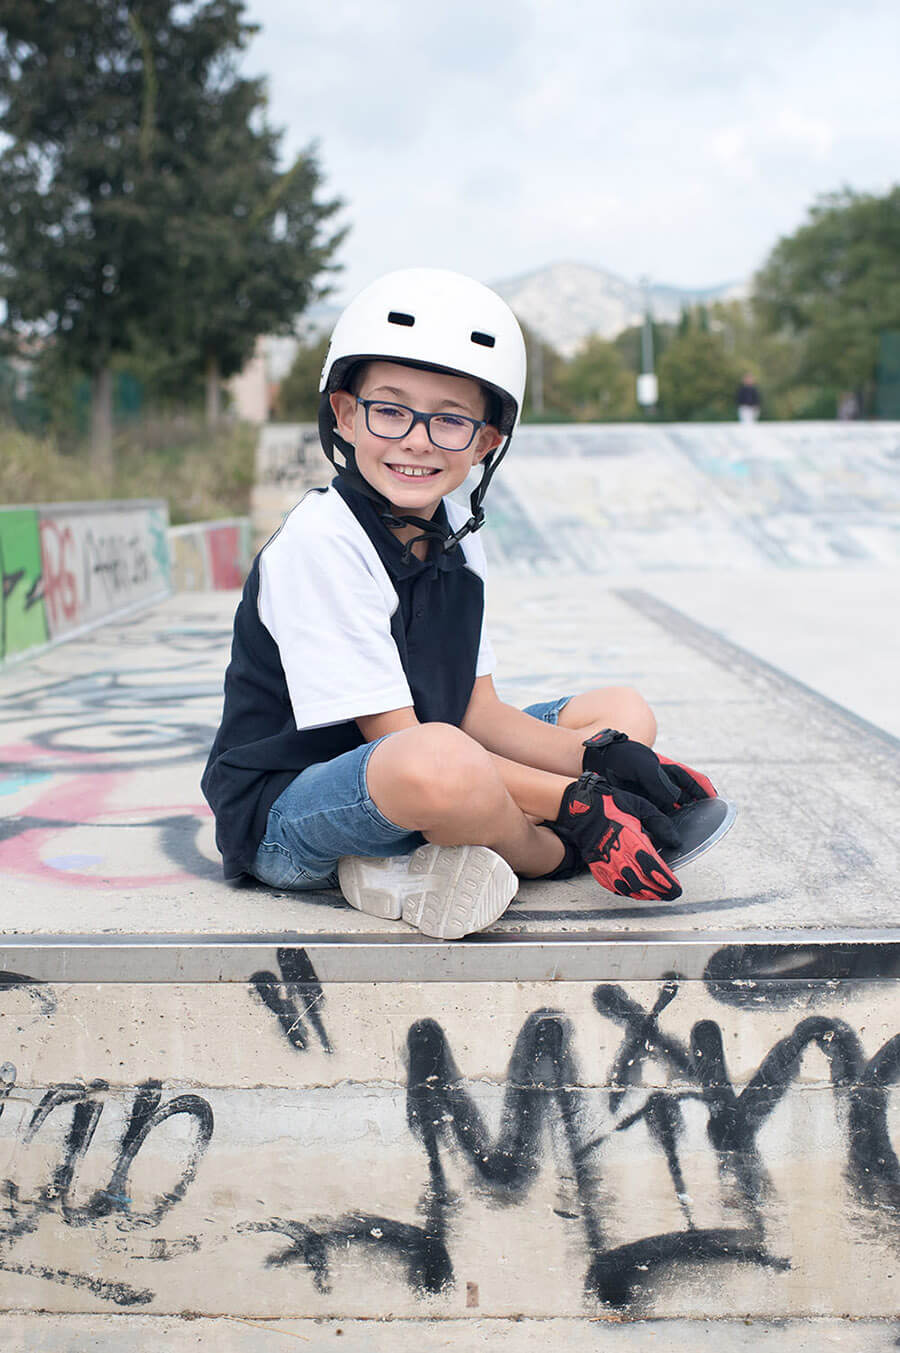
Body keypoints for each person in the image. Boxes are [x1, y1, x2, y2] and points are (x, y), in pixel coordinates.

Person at [202, 268, 716, 939]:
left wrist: (601, 758)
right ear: (345, 413)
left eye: (449, 420)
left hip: (432, 753)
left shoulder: (453, 538)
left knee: (620, 713)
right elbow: (403, 744)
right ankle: (548, 852)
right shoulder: (321, 543)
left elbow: (478, 710)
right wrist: (579, 801)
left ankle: (455, 841)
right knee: (438, 762)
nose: (417, 439)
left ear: (485, 442)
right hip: (292, 813)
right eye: (390, 410)